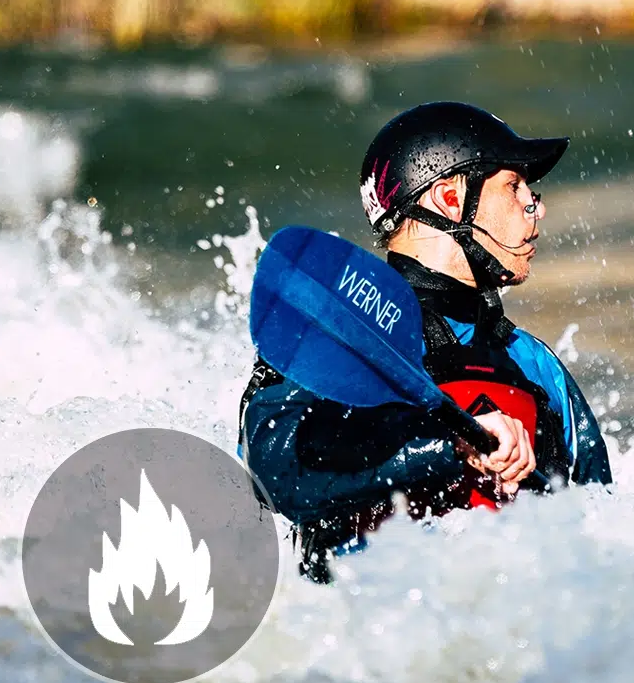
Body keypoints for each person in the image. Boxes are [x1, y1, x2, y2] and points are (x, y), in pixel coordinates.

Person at [238, 101, 612, 583]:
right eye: (514, 187)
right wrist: (447, 448)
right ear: (450, 199)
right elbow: (271, 474)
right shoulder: (337, 328)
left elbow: (604, 527)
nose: (534, 208)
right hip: (362, 632)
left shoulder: (535, 365)